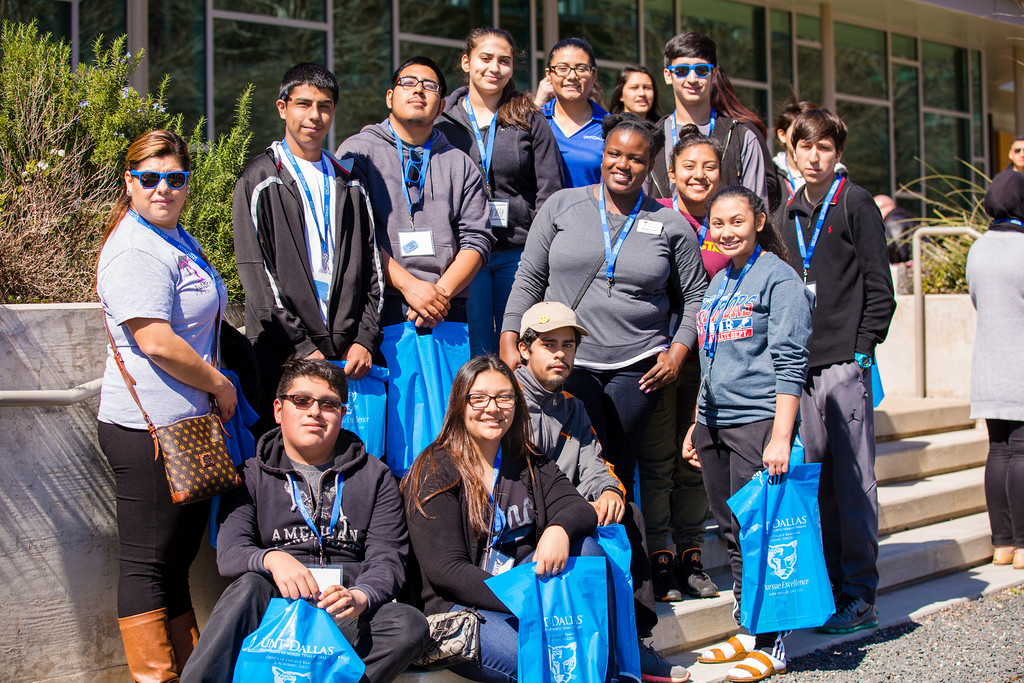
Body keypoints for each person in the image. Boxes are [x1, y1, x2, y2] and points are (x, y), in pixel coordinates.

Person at [500, 113, 707, 513]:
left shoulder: (670, 224)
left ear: (650, 167)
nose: (622, 165)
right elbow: (528, 277)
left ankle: (623, 567)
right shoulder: (562, 205)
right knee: (569, 468)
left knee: (618, 472)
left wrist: (677, 353)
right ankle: (574, 558)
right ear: (602, 153)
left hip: (637, 366)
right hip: (568, 360)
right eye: (614, 153)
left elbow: (695, 295)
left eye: (635, 159)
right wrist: (510, 338)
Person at [180, 357, 428, 682]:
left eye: (328, 404)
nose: (314, 412)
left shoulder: (375, 476)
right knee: (248, 587)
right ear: (279, 410)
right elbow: (230, 553)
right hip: (275, 613)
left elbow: (388, 557)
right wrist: (272, 558)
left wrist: (360, 595)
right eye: (301, 401)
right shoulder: (250, 475)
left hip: (342, 613)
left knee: (409, 624)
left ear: (341, 413)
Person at [96, 129, 236, 681]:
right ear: (129, 182)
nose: (163, 188)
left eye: (175, 178)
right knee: (147, 565)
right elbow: (154, 340)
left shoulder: (175, 237)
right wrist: (220, 384)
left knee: (173, 564)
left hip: (185, 427)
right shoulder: (133, 247)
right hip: (148, 431)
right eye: (149, 178)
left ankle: (187, 670)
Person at [513, 301, 691, 683]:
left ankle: (636, 642)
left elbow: (594, 463)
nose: (561, 353)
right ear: (524, 349)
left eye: (569, 344)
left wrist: (608, 489)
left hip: (568, 514)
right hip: (522, 526)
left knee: (627, 512)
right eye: (549, 344)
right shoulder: (506, 403)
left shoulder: (573, 406)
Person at [338, 56, 493, 476]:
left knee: (447, 441)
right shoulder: (358, 151)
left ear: (442, 105)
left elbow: (478, 239)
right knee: (388, 442)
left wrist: (437, 294)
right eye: (409, 82)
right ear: (390, 96)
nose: (419, 89)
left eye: (430, 85)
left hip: (447, 314)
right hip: (381, 309)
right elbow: (355, 236)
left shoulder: (459, 162)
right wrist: (409, 287)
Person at [683, 185, 813, 683]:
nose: (726, 232)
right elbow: (709, 359)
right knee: (733, 531)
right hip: (716, 424)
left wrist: (781, 436)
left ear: (759, 220)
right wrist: (698, 420)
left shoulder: (778, 279)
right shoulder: (718, 284)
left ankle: (774, 643)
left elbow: (790, 362)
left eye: (736, 221)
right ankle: (748, 624)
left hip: (759, 422)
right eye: (718, 224)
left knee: (765, 533)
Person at [402, 356, 600, 683]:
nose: (492, 408)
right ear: (458, 404)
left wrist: (558, 529)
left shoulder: (525, 459)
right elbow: (448, 573)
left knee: (587, 548)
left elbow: (578, 507)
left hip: (525, 591)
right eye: (478, 398)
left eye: (504, 397)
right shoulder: (435, 470)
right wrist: (527, 599)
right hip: (462, 610)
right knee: (538, 658)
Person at [777, 108, 896, 634]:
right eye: (806, 147)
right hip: (801, 366)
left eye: (825, 147)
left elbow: (880, 286)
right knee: (817, 480)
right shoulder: (786, 212)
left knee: (853, 483)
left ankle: (860, 594)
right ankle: (827, 587)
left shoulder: (855, 203)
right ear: (793, 150)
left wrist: (864, 348)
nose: (814, 156)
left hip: (845, 363)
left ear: (837, 153)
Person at [233, 63, 383, 430]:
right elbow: (257, 278)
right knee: (288, 466)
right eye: (303, 104)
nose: (314, 116)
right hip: (285, 356)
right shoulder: (259, 181)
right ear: (282, 108)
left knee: (351, 464)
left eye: (325, 105)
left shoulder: (350, 182)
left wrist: (364, 338)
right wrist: (302, 350)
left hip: (349, 356)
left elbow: (373, 271)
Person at [435, 28, 563, 356]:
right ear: (466, 62)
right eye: (486, 58)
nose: (494, 68)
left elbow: (550, 190)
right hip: (464, 256)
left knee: (518, 347)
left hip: (518, 254)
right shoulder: (442, 120)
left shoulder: (528, 117)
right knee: (475, 349)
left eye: (504, 61)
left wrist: (540, 249)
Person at [643, 124, 731, 602]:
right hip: (662, 356)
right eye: (689, 167)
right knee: (658, 460)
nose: (700, 175)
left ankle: (691, 555)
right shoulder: (656, 218)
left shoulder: (729, 222)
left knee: (696, 456)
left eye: (709, 167)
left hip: (713, 361)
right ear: (671, 173)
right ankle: (660, 558)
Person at [967, 169, 1024, 571]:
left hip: (987, 361)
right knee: (1022, 451)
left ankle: (1002, 543)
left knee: (998, 450)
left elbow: (975, 299)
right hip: (1020, 361)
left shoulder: (978, 248)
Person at [649, 32, 774, 206]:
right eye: (682, 71)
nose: (692, 79)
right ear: (668, 76)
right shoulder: (651, 139)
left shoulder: (742, 138)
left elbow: (757, 211)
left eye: (701, 70)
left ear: (714, 75)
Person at [534, 37, 609, 188]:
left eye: (581, 69)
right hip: (543, 211)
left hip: (591, 211)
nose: (572, 76)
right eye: (562, 68)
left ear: (593, 75)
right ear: (548, 74)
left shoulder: (609, 126)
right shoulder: (535, 120)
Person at [873, 194, 917, 264]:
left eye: (877, 210)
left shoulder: (890, 224)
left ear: (889, 207)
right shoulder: (909, 218)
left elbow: (889, 250)